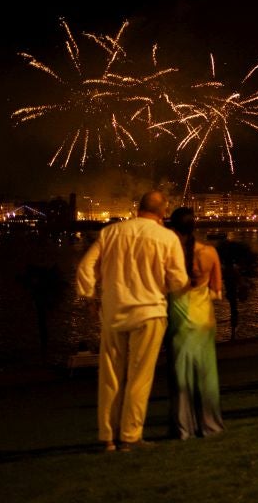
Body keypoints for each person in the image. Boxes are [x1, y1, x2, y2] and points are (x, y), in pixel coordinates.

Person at [75, 190, 188, 452]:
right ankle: (130, 435)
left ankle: (108, 436)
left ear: (139, 208)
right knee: (140, 376)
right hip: (149, 313)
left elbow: (85, 268)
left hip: (113, 312)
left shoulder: (111, 233)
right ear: (163, 212)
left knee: (110, 376)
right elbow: (178, 280)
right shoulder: (166, 237)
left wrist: (90, 297)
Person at [165, 207, 224, 439]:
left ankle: (183, 427)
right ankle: (209, 423)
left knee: (180, 376)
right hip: (204, 319)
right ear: (194, 226)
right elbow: (217, 290)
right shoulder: (209, 253)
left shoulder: (169, 256)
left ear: (173, 227)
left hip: (179, 318)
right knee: (206, 374)